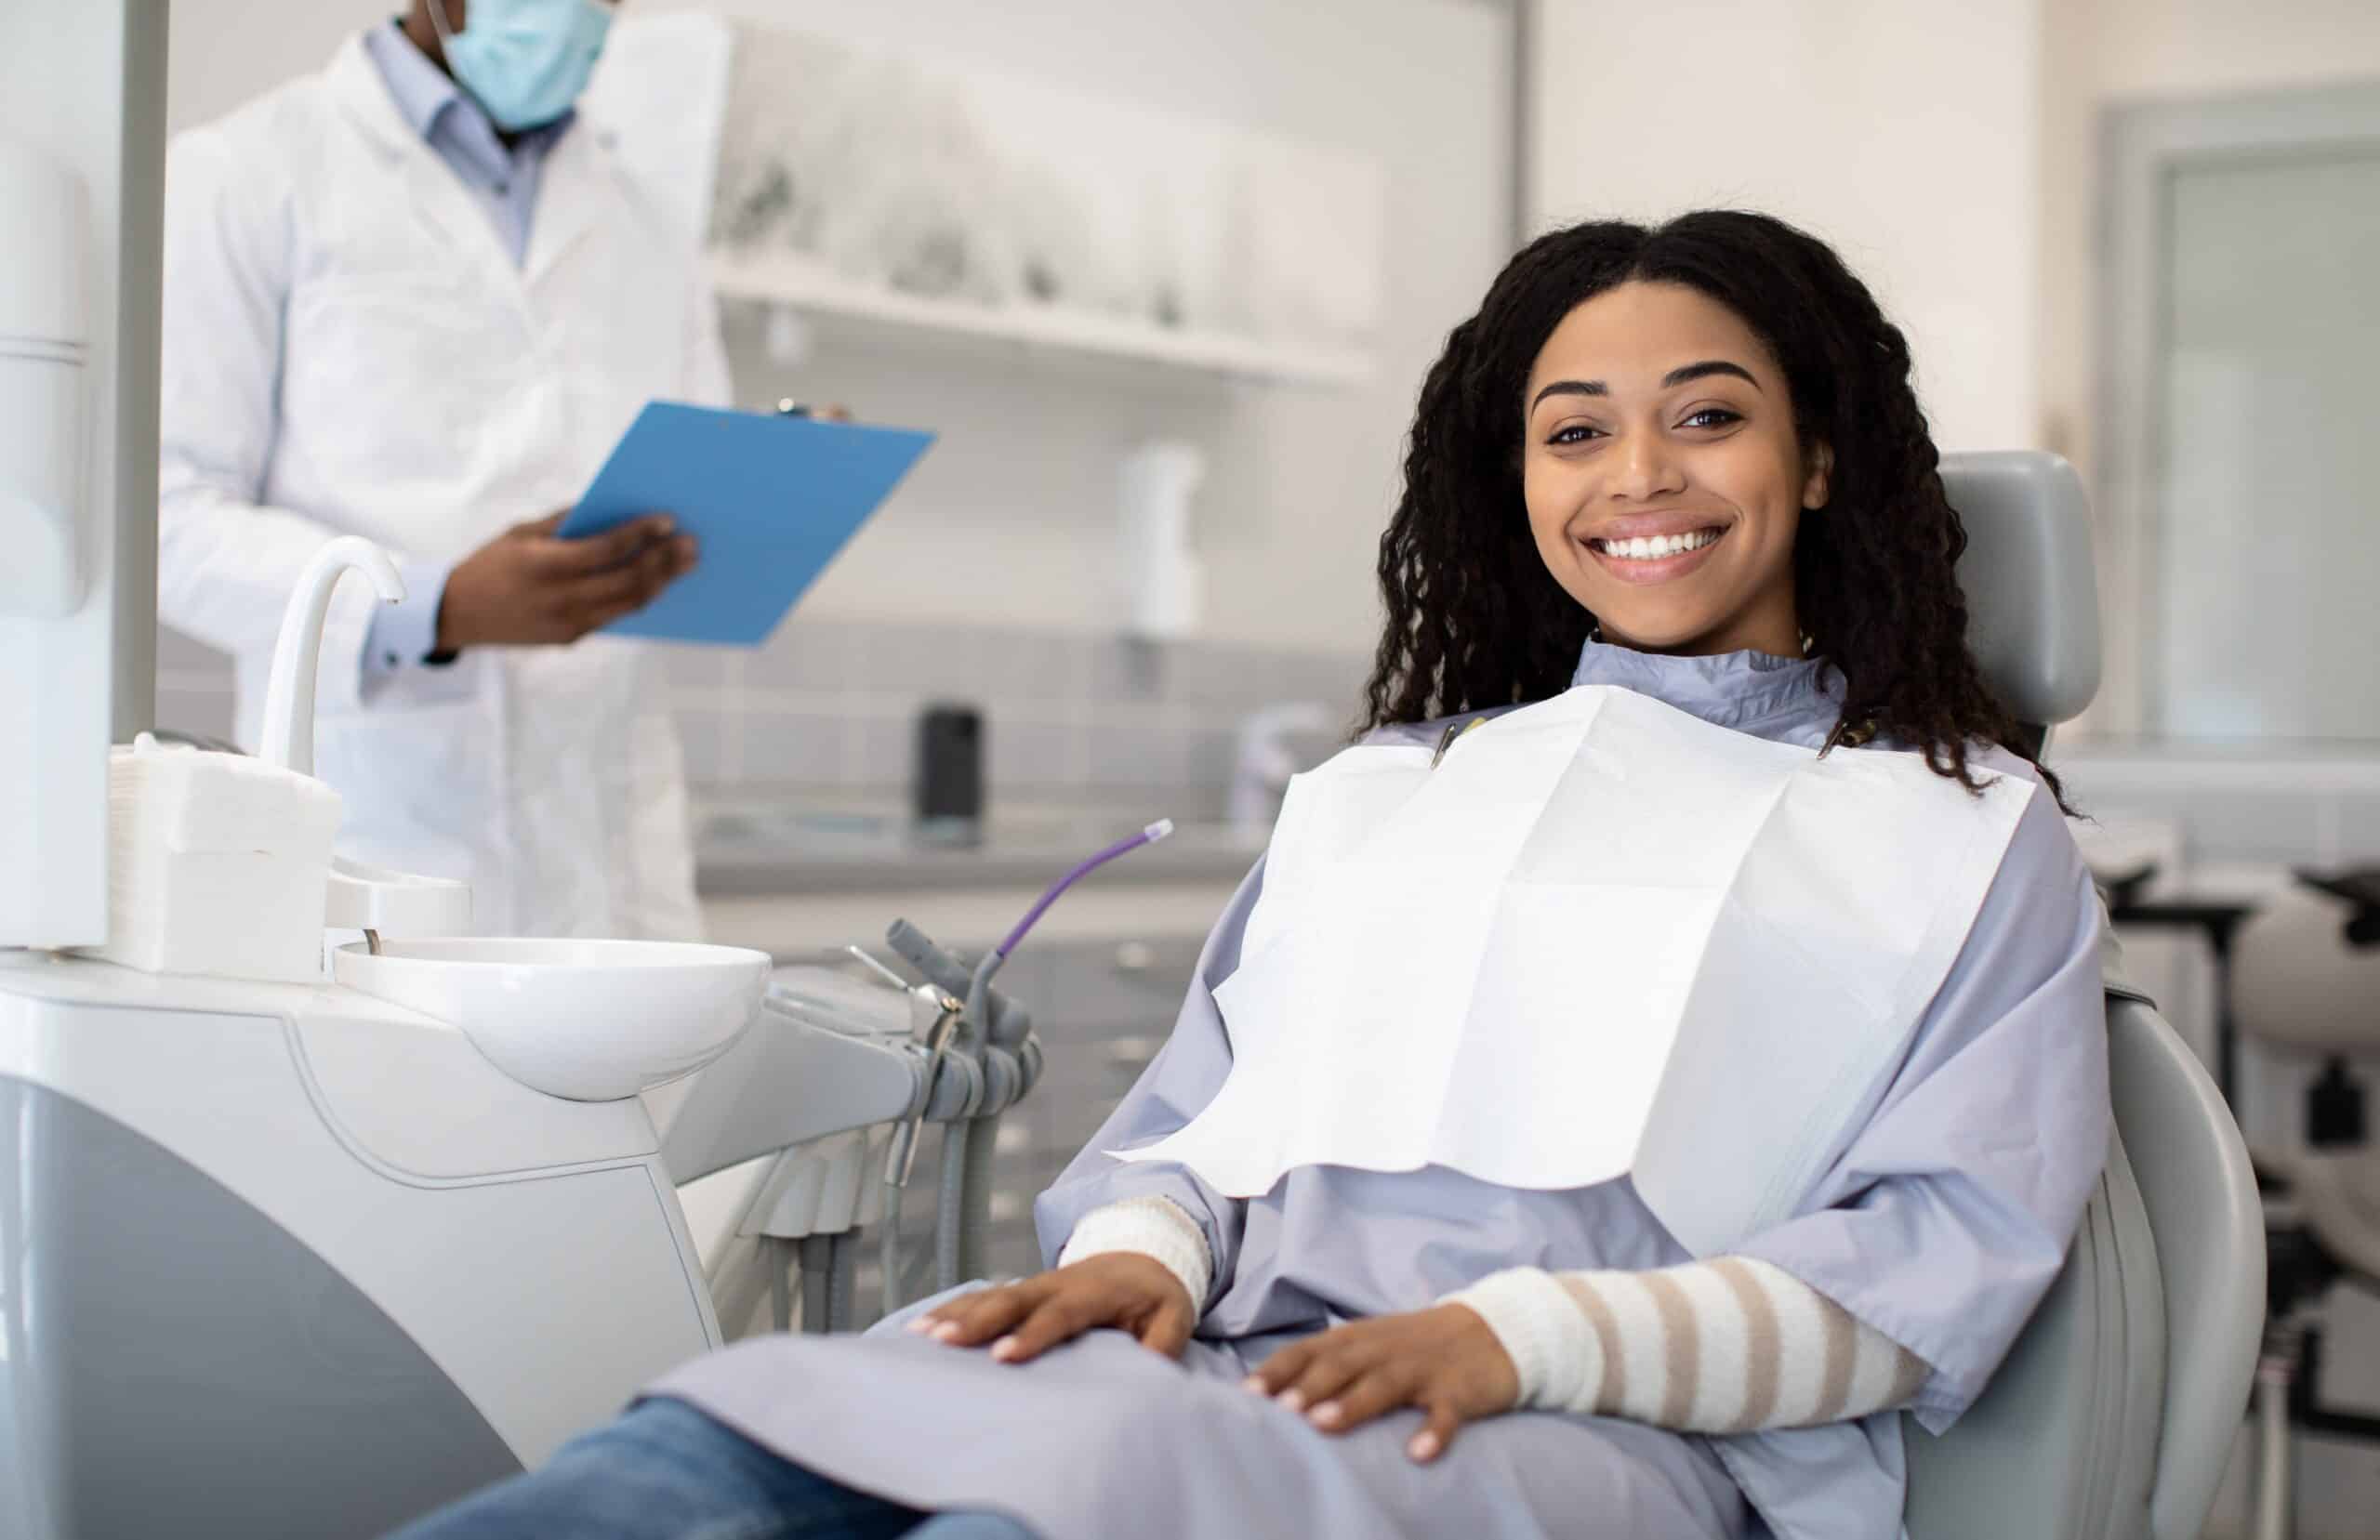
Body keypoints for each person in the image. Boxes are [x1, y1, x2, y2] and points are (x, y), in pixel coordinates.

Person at [390, 211, 2111, 1540]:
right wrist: (1142, 1255)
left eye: (1708, 418)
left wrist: (1527, 1339)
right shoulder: (1387, 790)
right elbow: (1189, 1134)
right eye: (1574, 431)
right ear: (1516, 480)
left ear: (1817, 461)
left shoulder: (1956, 838)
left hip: (1586, 1434)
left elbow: (1922, 1277)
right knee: (696, 1445)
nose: (1637, 476)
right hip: (1204, 1360)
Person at [157, 0, 722, 939]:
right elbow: (165, 519)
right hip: (374, 851)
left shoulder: (650, 222)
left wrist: (770, 484)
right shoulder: (248, 172)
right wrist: (437, 605)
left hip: (615, 876)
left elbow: (689, 482)